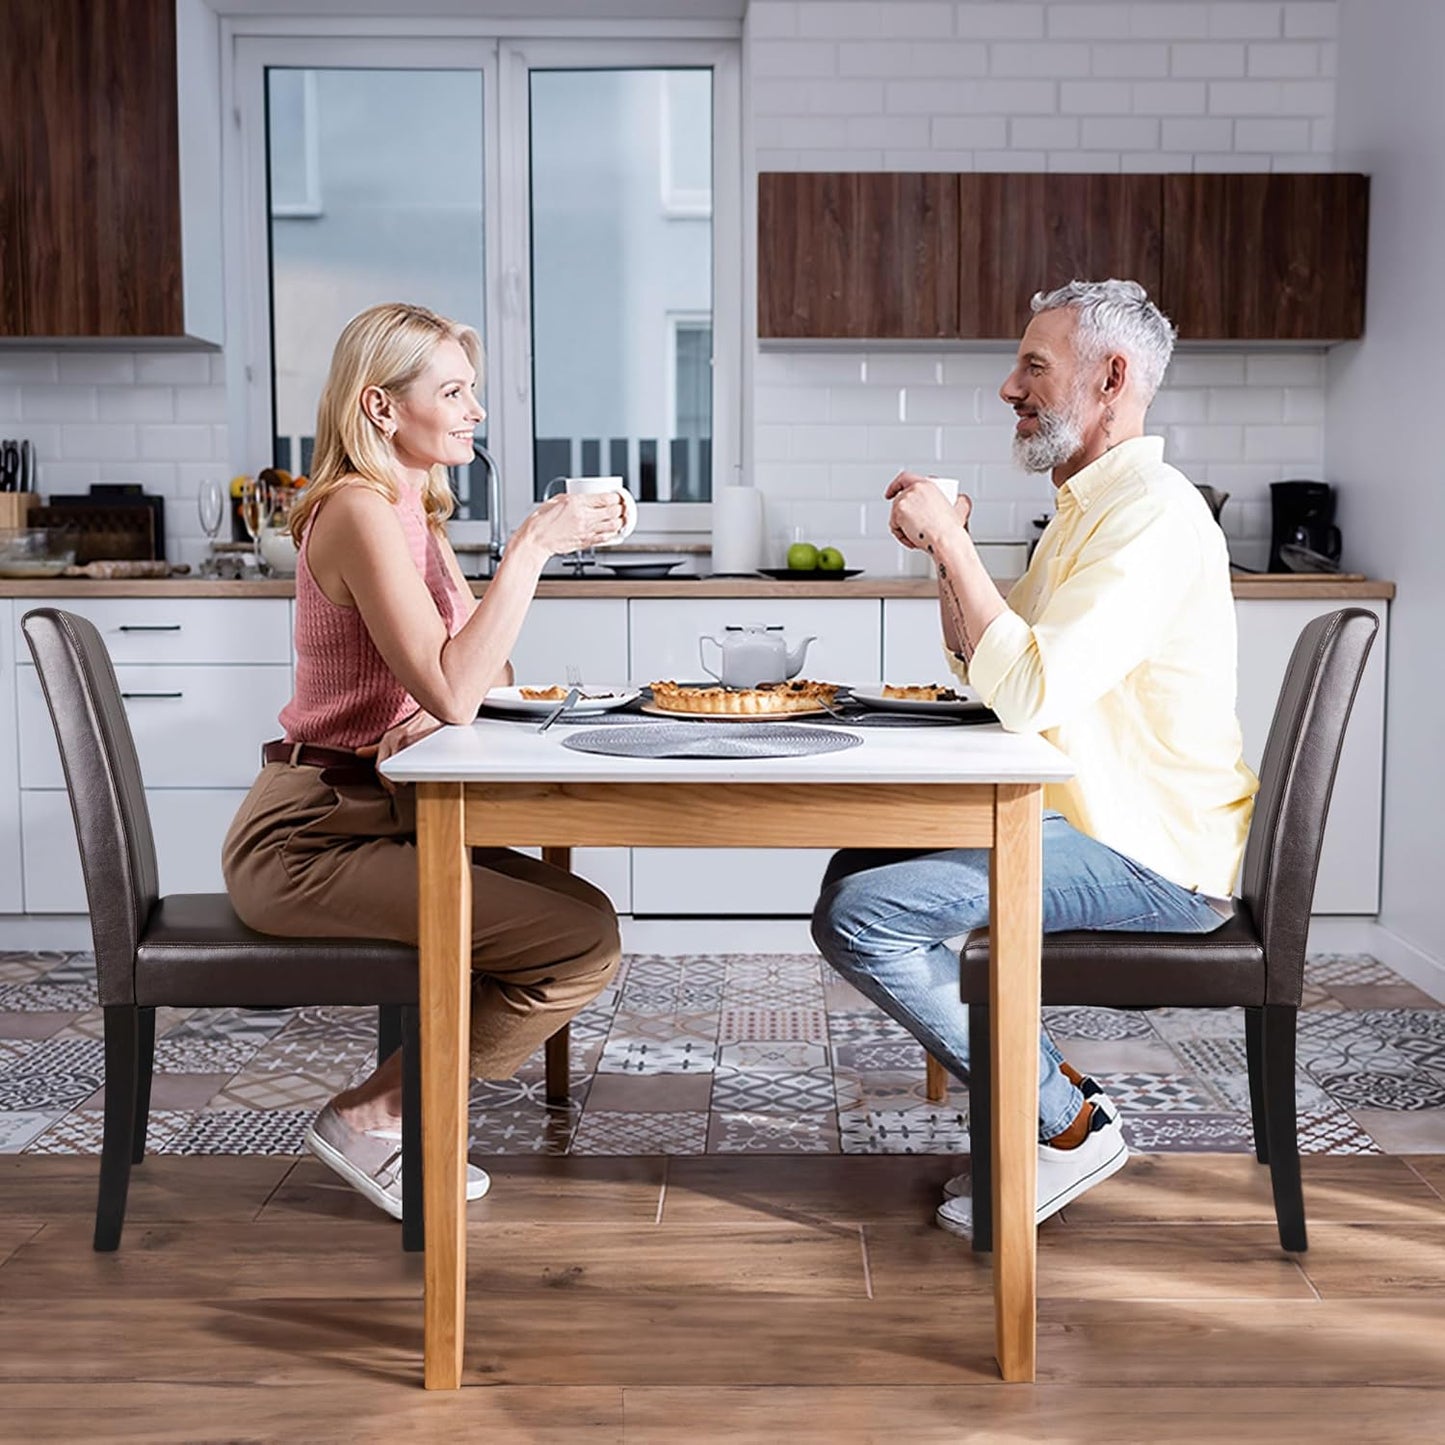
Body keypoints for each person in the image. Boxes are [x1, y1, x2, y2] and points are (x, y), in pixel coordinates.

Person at [811, 279, 1259, 1239]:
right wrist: (952, 554)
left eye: (1033, 366)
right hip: (1086, 819)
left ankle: (1065, 1125)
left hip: (1148, 852)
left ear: (1110, 377)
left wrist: (950, 540)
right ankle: (1049, 1100)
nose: (1008, 387)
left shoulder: (1150, 514)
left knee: (865, 913)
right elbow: (991, 665)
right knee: (859, 869)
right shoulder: (1088, 506)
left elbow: (1031, 689)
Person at [223, 301, 626, 1219]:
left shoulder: (415, 512)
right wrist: (530, 547)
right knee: (576, 942)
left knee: (583, 915)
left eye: (471, 389)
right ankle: (371, 1115)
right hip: (310, 838)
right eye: (452, 390)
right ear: (378, 406)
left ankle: (385, 1111)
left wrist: (430, 706)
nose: (475, 409)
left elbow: (481, 676)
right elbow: (456, 688)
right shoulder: (358, 512)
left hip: (383, 811)